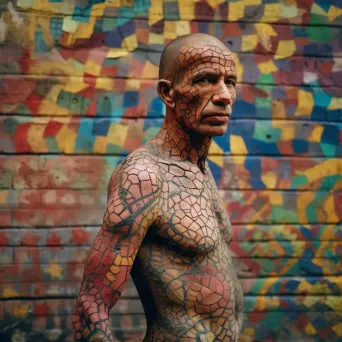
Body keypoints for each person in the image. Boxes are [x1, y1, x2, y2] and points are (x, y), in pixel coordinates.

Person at [72, 33, 244, 342]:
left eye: (230, 82)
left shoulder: (199, 169)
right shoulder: (144, 177)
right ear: (168, 93)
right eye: (205, 79)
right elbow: (91, 307)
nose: (224, 96)